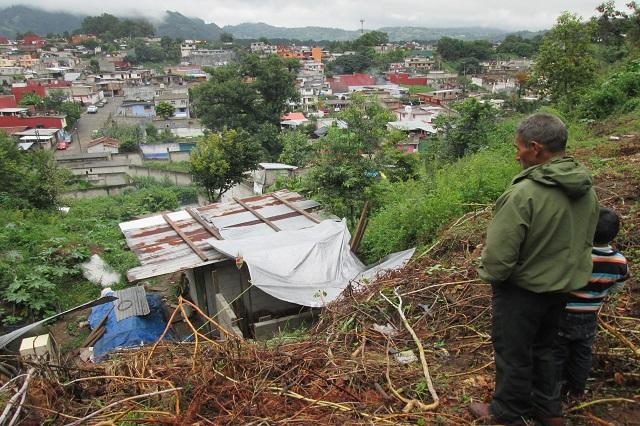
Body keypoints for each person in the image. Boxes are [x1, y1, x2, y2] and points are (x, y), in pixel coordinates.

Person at [469, 113, 599, 426]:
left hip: (522, 291)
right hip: (561, 287)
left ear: (536, 148)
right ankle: (549, 411)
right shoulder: (585, 190)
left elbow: (500, 258)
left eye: (519, 148)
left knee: (514, 352)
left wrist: (488, 274)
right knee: (546, 347)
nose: (517, 155)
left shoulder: (523, 195)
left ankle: (506, 412)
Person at [554, 208, 629, 398]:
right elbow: (617, 288)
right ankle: (577, 390)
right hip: (589, 316)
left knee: (558, 352)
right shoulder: (620, 262)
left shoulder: (576, 255)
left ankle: (555, 389)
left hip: (564, 312)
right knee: (582, 354)